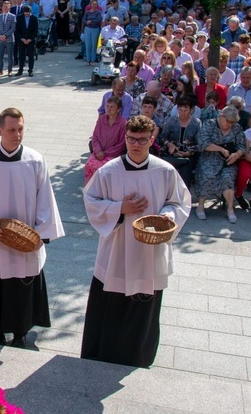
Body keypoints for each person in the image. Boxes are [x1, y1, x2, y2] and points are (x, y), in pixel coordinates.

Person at [81, 115, 191, 368]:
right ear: (125, 138)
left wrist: (168, 215)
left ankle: (138, 357)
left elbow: (180, 202)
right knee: (112, 304)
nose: (136, 144)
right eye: (131, 139)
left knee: (143, 307)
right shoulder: (109, 171)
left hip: (149, 251)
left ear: (152, 140)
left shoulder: (164, 171)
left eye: (142, 139)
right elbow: (91, 202)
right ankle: (102, 354)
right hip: (118, 249)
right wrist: (121, 208)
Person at [0, 108, 65, 348]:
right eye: (11, 130)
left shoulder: (35, 160)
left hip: (25, 240)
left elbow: (46, 198)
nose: (17, 134)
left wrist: (41, 232)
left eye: (20, 129)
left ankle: (21, 331)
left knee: (22, 284)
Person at [195, 106, 246, 223]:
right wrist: (221, 149)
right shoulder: (210, 124)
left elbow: (242, 146)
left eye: (232, 122)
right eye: (228, 121)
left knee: (227, 177)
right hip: (209, 158)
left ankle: (230, 209)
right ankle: (201, 206)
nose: (229, 124)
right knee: (207, 174)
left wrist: (236, 155)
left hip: (228, 161)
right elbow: (203, 143)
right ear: (221, 116)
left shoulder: (237, 128)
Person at [159, 97, 202, 188]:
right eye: (180, 110)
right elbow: (162, 137)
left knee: (186, 171)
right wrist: (169, 144)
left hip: (189, 155)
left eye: (185, 110)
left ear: (191, 110)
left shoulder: (196, 123)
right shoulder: (171, 120)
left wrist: (189, 152)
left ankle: (184, 197)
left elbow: (199, 143)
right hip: (172, 154)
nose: (182, 113)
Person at [85, 97, 127, 184]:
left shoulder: (123, 123)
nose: (109, 108)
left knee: (103, 169)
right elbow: (95, 137)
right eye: (107, 106)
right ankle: (90, 191)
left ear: (118, 109)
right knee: (89, 165)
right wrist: (98, 151)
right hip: (99, 152)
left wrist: (105, 153)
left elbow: (121, 144)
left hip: (113, 154)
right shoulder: (101, 119)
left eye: (112, 107)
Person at [15, 6, 38, 77]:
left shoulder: (34, 18)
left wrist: (30, 39)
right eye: (25, 13)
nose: (27, 14)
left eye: (28, 13)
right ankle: (20, 70)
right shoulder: (19, 18)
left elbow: (35, 31)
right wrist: (22, 39)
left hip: (30, 40)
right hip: (22, 40)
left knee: (31, 56)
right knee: (21, 55)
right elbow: (17, 30)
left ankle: (30, 70)